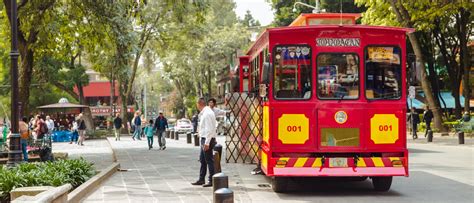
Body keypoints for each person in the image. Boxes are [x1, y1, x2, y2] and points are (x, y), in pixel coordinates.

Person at [191, 98, 217, 187]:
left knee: (209, 160)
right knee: (203, 160)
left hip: (207, 139)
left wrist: (207, 143)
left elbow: (209, 129)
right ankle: (201, 179)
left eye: (197, 105)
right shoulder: (205, 113)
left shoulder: (207, 113)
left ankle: (212, 180)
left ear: (199, 104)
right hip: (204, 138)